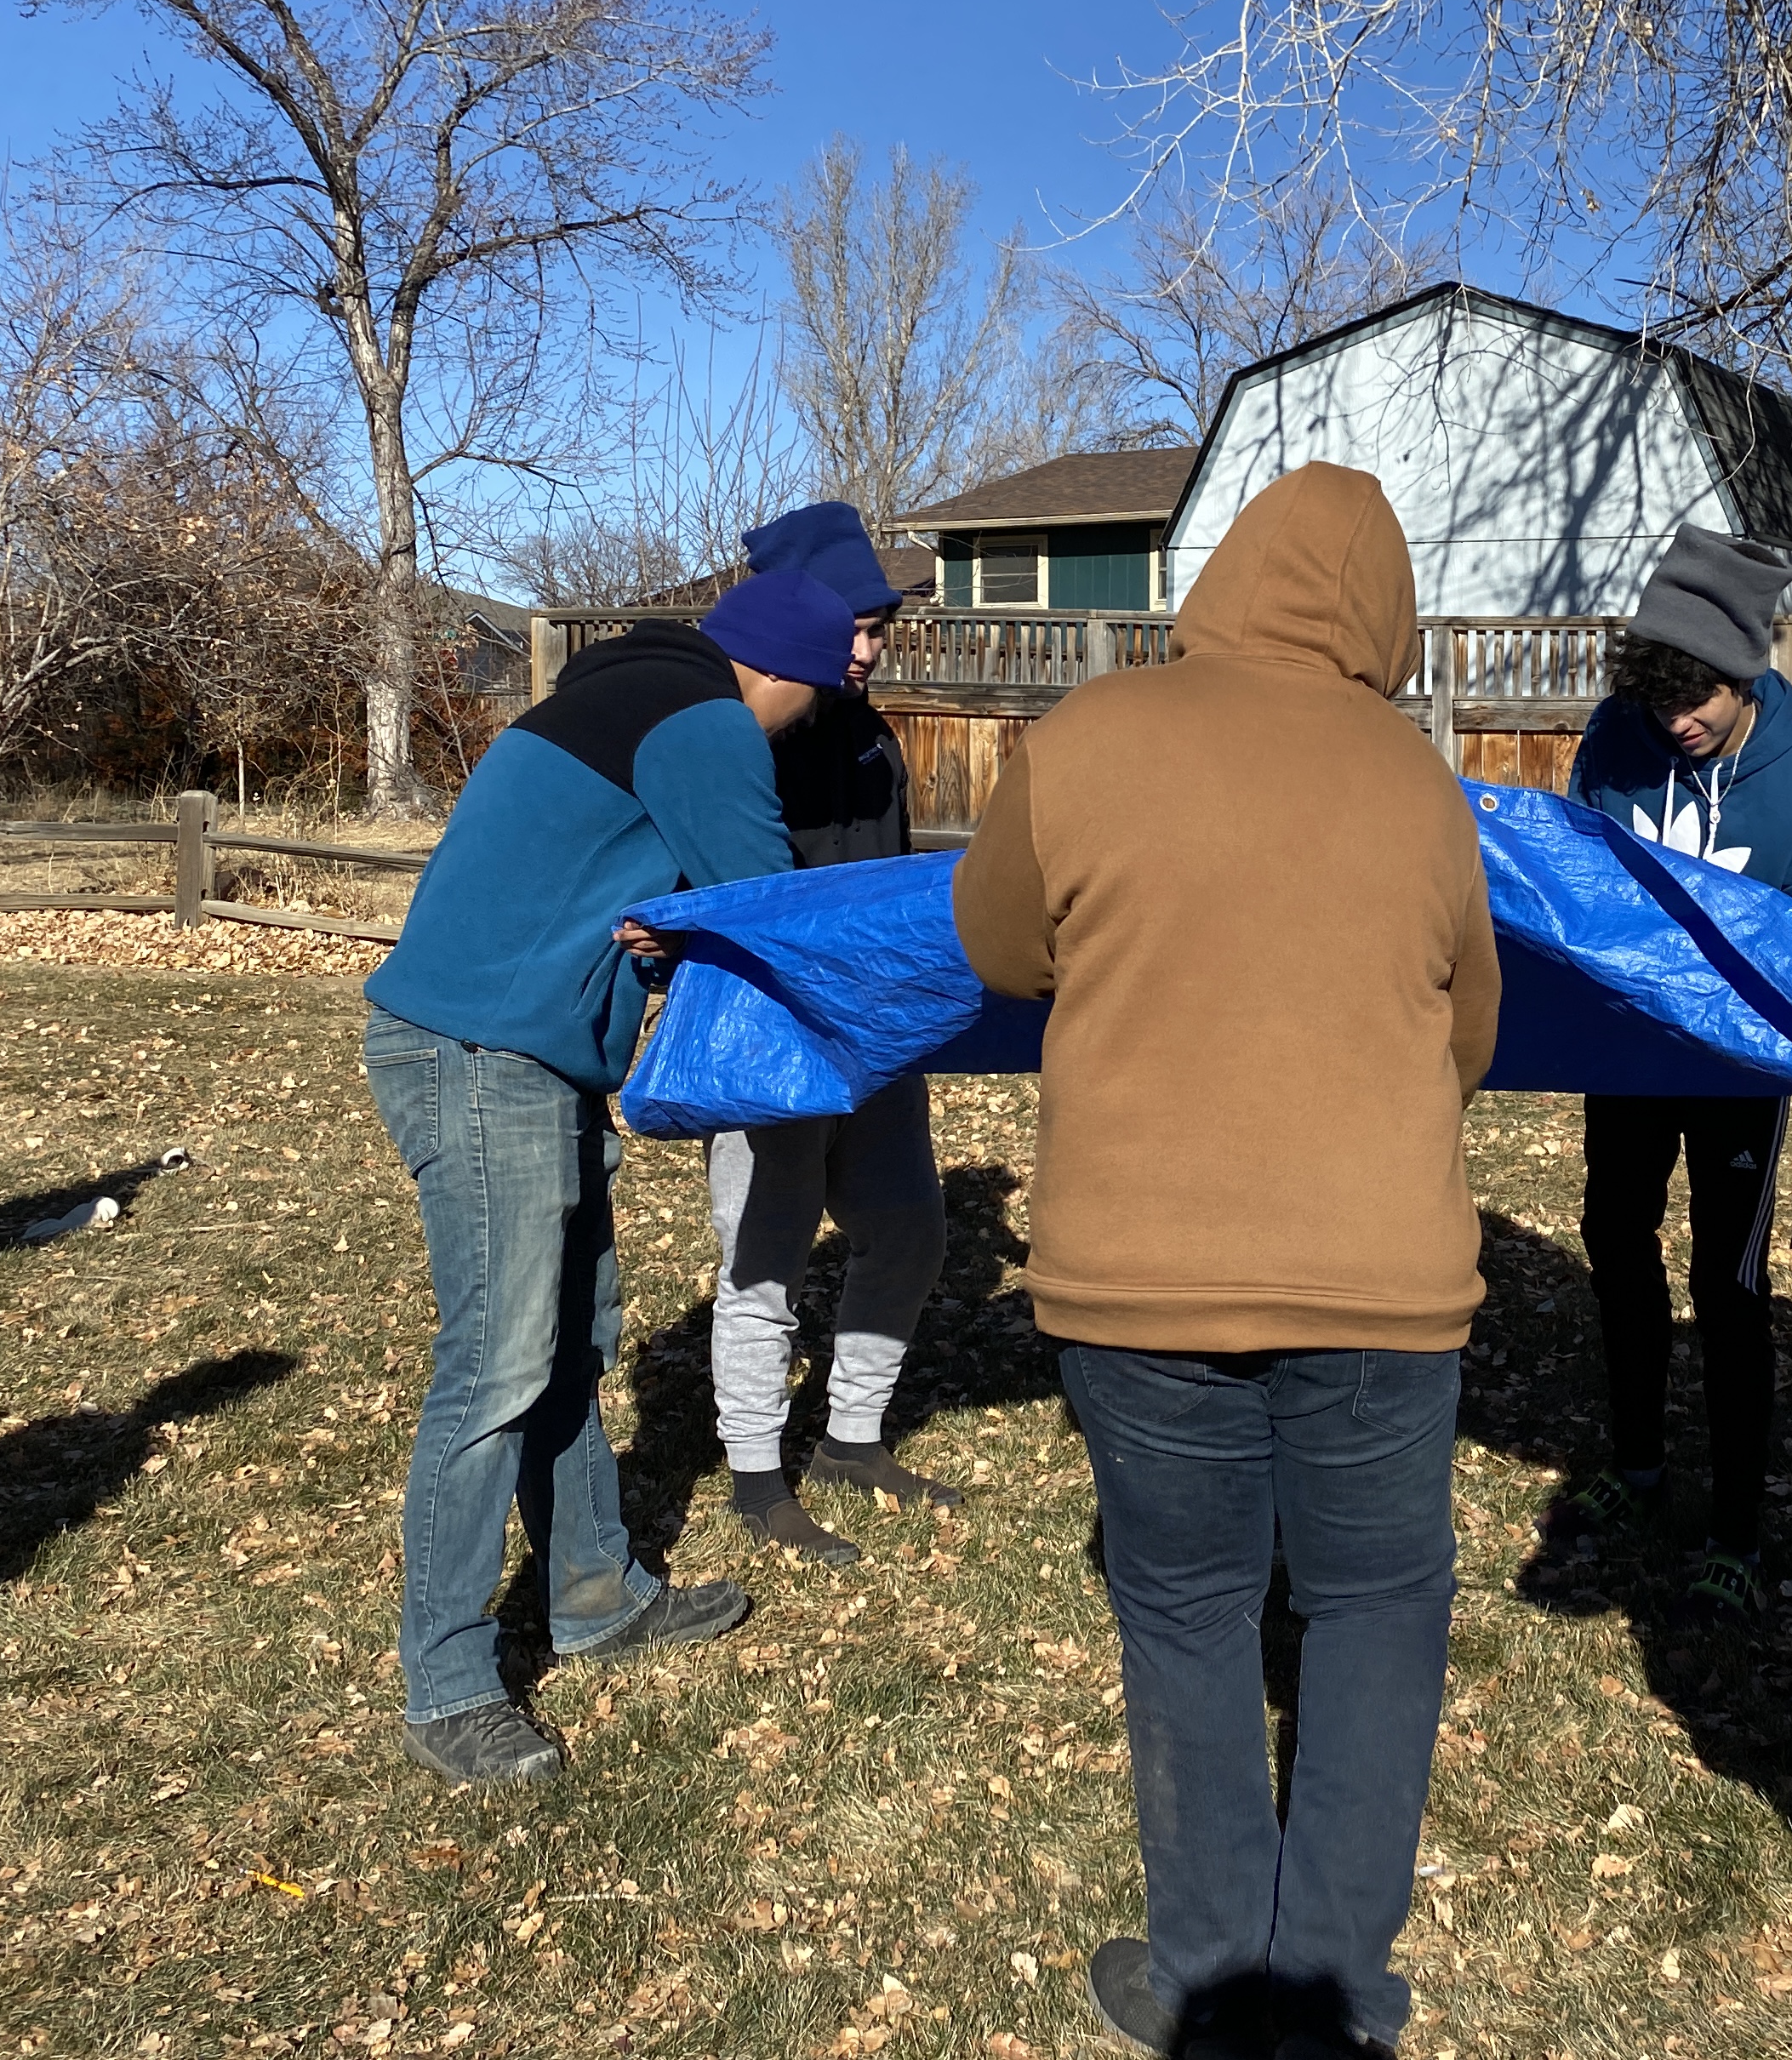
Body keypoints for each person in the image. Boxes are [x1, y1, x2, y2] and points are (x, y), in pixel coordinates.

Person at [953, 462, 1498, 2060]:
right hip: (1382, 1283)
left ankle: (1203, 1971)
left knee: (1183, 1604)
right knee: (1375, 1607)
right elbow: (1469, 1031)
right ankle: (1338, 1991)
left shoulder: (1082, 739)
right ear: (1379, 610)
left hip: (1135, 1271)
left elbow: (999, 946)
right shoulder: (1415, 779)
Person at [362, 568, 853, 1790]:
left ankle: (594, 1594)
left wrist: (669, 922)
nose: (814, 720)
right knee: (497, 1364)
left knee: (574, 1341)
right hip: (484, 1054)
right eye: (830, 689)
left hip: (523, 1052)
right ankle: (450, 1679)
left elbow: (650, 892)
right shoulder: (708, 722)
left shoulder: (636, 696)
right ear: (784, 675)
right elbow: (773, 905)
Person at [1553, 523, 1792, 1629]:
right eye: (1659, 695)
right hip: (1626, 1060)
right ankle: (1637, 1465)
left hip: (1735, 1079)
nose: (1676, 720)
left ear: (1746, 675)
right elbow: (1579, 884)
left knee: (1727, 1287)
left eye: (1698, 699)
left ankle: (1735, 1525)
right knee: (1616, 1247)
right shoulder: (1616, 742)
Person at [703, 502, 957, 1565]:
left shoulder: (871, 736)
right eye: (850, 627)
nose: (866, 649)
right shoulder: (738, 734)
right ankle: (758, 1478)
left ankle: (852, 1437)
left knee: (907, 1227)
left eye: (876, 627)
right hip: (770, 1037)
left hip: (875, 1033)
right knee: (764, 1259)